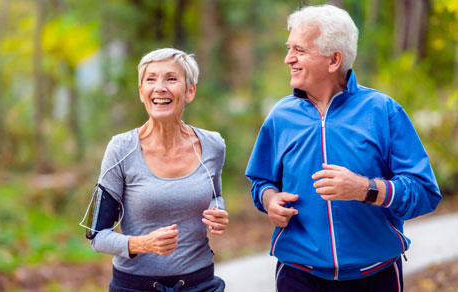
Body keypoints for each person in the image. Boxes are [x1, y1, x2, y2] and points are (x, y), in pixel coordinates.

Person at [245, 4, 441, 292]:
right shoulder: (280, 117)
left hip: (376, 275)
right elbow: (261, 181)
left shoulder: (383, 111)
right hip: (298, 275)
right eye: (289, 48)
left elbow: (424, 192)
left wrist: (365, 189)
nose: (288, 59)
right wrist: (269, 200)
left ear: (334, 59)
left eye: (299, 50)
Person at [82, 48, 228, 292]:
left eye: (171, 79)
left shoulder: (212, 145)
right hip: (135, 286)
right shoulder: (121, 149)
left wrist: (218, 210)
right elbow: (97, 235)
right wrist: (143, 243)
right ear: (142, 92)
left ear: (190, 91)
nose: (160, 87)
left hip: (200, 284)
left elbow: (215, 195)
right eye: (151, 79)